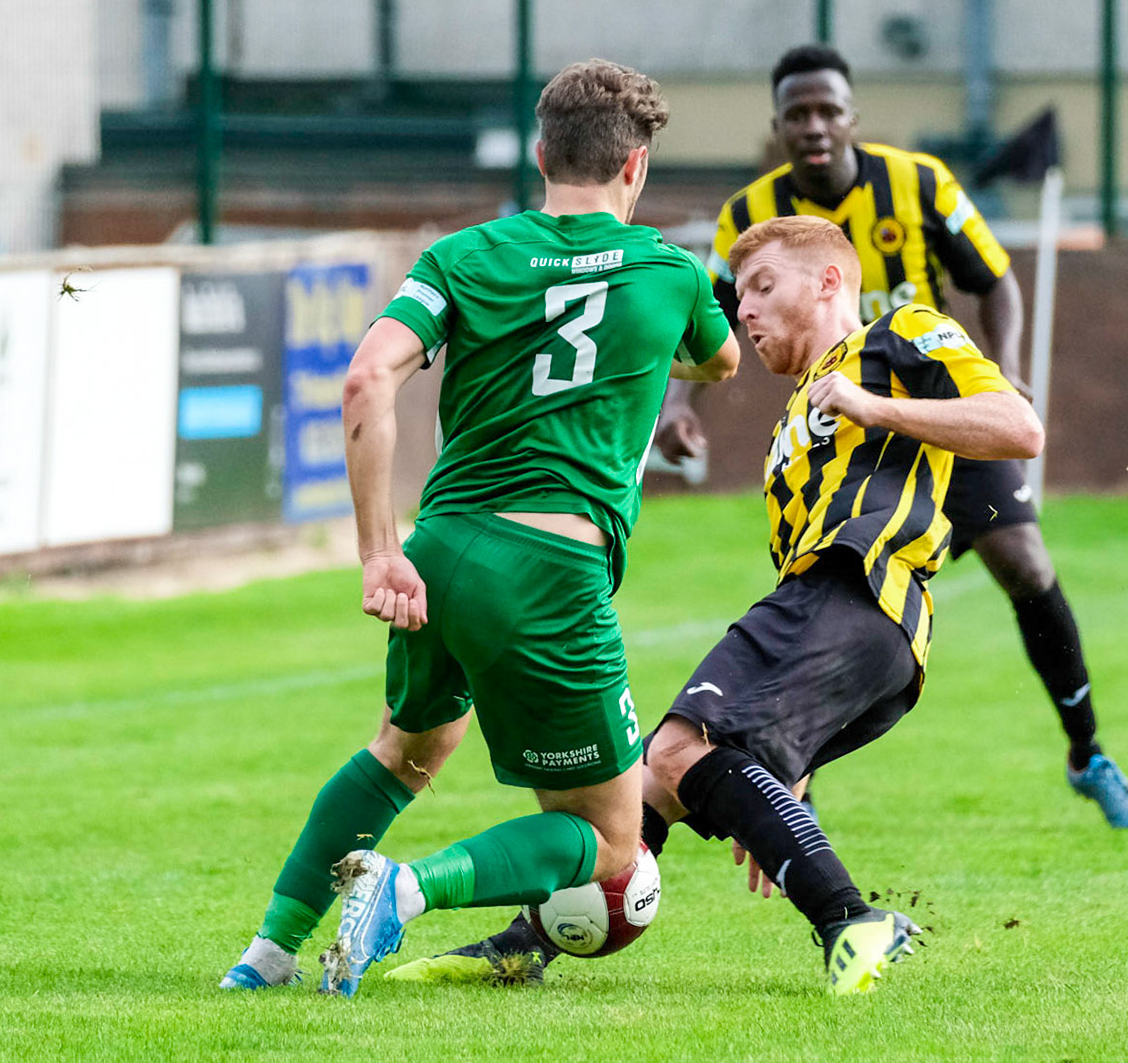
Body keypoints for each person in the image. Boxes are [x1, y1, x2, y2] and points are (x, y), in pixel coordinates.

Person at [391, 215, 1044, 994]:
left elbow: (1020, 426)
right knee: (650, 784)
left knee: (674, 751)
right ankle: (520, 946)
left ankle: (850, 919)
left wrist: (879, 408)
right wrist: (777, 782)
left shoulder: (902, 332)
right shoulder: (803, 405)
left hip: (859, 584)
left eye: (764, 287)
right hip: (842, 617)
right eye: (742, 298)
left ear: (831, 280)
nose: (747, 312)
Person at [218, 60, 740, 996]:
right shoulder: (671, 271)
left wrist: (380, 549)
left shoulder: (462, 256)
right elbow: (723, 361)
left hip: (439, 549)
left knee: (410, 747)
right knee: (612, 842)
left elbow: (366, 379)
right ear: (637, 169)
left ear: (542, 154)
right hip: (546, 572)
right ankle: (402, 889)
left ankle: (266, 955)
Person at [660, 43, 1128, 828]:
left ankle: (1087, 752)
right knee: (825, 585)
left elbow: (995, 280)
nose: (815, 126)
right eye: (798, 114)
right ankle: (786, 781)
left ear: (853, 116)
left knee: (1024, 560)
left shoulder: (920, 183)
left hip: (929, 403)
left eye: (828, 110)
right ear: (779, 126)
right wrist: (681, 406)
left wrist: (1008, 369)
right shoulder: (750, 216)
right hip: (841, 426)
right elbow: (713, 319)